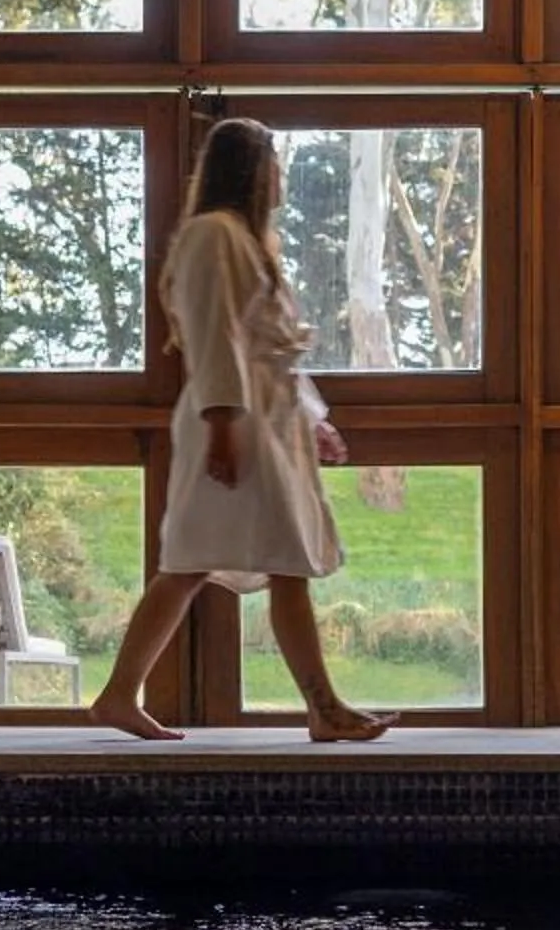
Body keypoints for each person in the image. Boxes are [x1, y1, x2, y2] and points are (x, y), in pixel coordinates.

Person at [92, 115, 394, 743]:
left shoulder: (248, 241)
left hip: (262, 421)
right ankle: (323, 707)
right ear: (251, 170)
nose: (282, 175)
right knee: (229, 559)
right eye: (274, 162)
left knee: (206, 562)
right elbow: (214, 337)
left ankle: (121, 695)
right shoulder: (213, 237)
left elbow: (269, 348)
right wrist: (224, 425)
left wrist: (314, 420)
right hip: (232, 423)